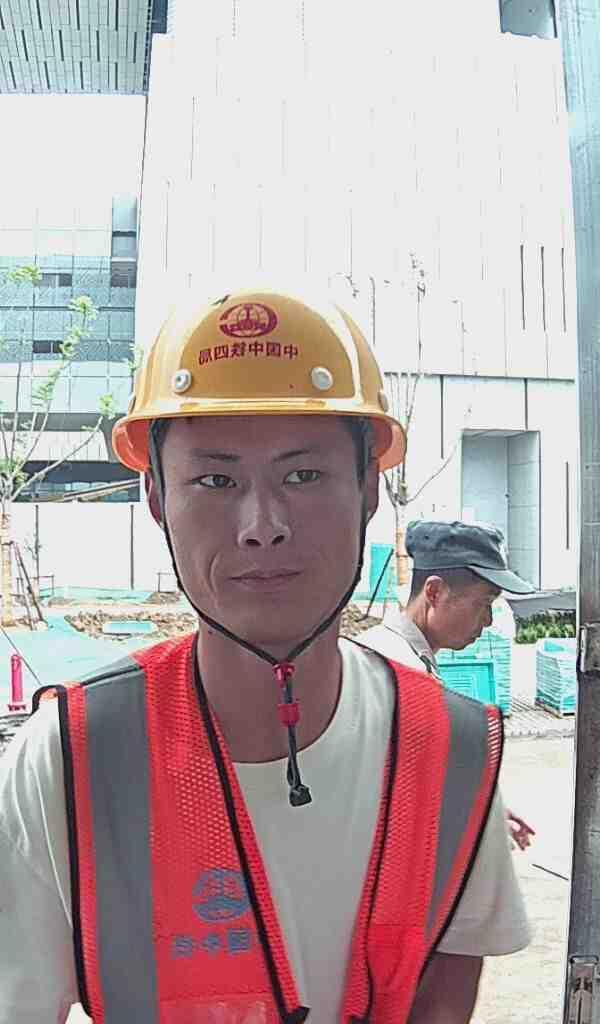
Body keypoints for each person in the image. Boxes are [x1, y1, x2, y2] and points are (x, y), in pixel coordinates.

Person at [0, 289, 530, 1024]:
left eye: (303, 475)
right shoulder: (71, 757)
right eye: (215, 480)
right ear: (155, 496)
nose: (263, 526)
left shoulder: (456, 751)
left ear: (368, 489)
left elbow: (445, 988)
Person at [360, 519, 536, 851]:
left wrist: (483, 811)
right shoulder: (387, 669)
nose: (488, 621)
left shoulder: (412, 660)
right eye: (483, 604)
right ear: (434, 592)